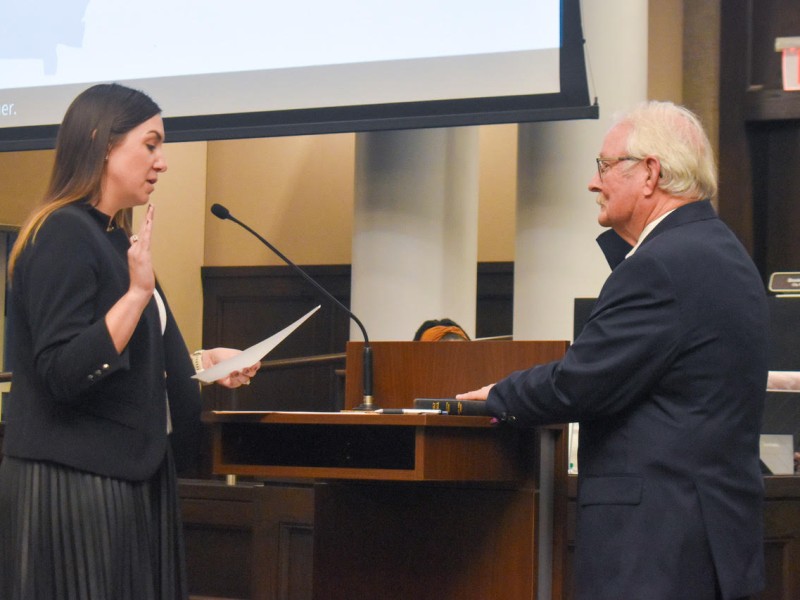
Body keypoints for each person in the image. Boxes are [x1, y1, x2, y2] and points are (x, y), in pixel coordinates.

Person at [457, 101, 769, 600]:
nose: (593, 182)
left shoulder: (661, 265)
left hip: (658, 551)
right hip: (711, 542)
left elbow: (578, 383)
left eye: (604, 166)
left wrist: (495, 396)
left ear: (650, 173)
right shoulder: (724, 252)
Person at [0, 83, 259, 600]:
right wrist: (139, 293)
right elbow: (62, 370)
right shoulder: (63, 232)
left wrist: (202, 362)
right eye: (150, 144)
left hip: (126, 471)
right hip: (74, 481)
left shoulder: (113, 235)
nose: (162, 162)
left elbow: (124, 353)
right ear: (101, 141)